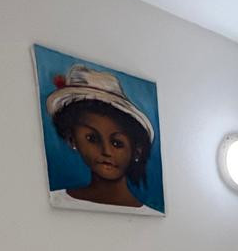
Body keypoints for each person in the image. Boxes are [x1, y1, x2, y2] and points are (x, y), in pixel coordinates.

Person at [46, 64, 160, 214]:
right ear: (73, 140)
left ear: (137, 151)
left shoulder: (150, 214)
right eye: (92, 138)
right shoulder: (56, 199)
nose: (106, 151)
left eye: (117, 143)